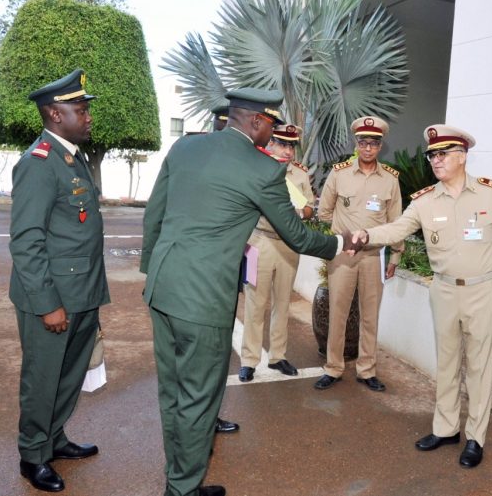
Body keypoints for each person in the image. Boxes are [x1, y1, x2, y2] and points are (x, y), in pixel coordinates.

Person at [141, 88, 357, 496]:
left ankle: (180, 478)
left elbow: (155, 214)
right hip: (203, 299)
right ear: (257, 122)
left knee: (172, 391)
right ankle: (182, 489)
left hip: (163, 287)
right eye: (271, 126)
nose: (272, 134)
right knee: (199, 398)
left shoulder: (186, 149)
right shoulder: (261, 170)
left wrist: (150, 272)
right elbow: (295, 235)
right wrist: (340, 244)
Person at [352, 125, 492, 468]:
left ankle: (475, 438)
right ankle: (445, 428)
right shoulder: (425, 200)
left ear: (462, 156)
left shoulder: (491, 195)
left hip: (482, 290)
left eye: (442, 154)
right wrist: (366, 234)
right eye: (431, 155)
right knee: (447, 363)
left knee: (480, 369)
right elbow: (397, 228)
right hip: (442, 290)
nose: (435, 160)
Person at [9, 68, 108, 492]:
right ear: (54, 113)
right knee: (43, 378)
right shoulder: (38, 163)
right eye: (79, 109)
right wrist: (48, 303)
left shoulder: (71, 155)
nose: (87, 117)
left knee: (69, 374)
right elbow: (26, 241)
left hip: (82, 291)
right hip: (50, 297)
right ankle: (33, 456)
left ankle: (54, 438)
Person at [313, 116, 403, 392]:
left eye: (374, 143)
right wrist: (342, 236)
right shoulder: (339, 174)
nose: (367, 148)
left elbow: (397, 221)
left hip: (373, 257)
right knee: (337, 312)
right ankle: (333, 367)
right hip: (343, 255)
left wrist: (396, 256)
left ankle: (367, 370)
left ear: (380, 146)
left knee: (369, 315)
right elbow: (324, 211)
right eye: (363, 142)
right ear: (356, 144)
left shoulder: (390, 180)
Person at [239, 123, 314, 382]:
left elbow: (310, 208)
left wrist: (300, 211)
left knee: (282, 304)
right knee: (255, 304)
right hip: (259, 242)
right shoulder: (256, 170)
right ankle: (249, 360)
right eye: (281, 143)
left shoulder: (300, 175)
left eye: (291, 145)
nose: (287, 150)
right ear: (269, 143)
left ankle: (278, 356)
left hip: (288, 245)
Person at [205, 103, 240, 435]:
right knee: (203, 355)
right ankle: (200, 419)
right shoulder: (198, 161)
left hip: (229, 274)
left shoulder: (246, 165)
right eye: (222, 127)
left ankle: (210, 415)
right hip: (202, 278)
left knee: (220, 351)